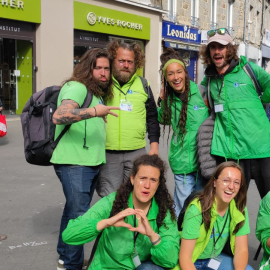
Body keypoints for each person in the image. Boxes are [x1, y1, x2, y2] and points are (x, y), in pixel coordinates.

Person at [199, 27, 270, 199]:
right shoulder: (209, 81)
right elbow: (195, 103)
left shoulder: (249, 70)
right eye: (212, 47)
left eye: (221, 47)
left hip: (263, 151)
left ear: (230, 49)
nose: (217, 51)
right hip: (231, 155)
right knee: (231, 209)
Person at [51, 48, 119, 270]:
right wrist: (94, 113)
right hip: (75, 163)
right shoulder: (77, 87)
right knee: (79, 216)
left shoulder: (95, 92)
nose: (102, 73)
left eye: (106, 69)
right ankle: (73, 264)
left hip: (88, 163)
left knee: (72, 210)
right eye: (97, 67)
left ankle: (65, 257)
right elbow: (59, 116)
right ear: (87, 68)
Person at [62, 155, 180, 270]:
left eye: (153, 180)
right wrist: (106, 222)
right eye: (142, 178)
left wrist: (153, 236)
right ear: (132, 179)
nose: (147, 185)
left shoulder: (163, 211)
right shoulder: (112, 202)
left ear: (158, 185)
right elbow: (69, 235)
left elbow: (171, 260)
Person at [97, 39, 160, 198]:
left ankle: (131, 223)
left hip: (136, 153)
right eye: (121, 61)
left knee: (134, 197)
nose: (126, 65)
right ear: (113, 60)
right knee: (110, 198)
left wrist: (154, 147)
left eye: (130, 62)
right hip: (108, 152)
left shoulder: (143, 84)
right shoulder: (104, 83)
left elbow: (152, 117)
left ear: (136, 63)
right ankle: (113, 224)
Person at [157, 47, 209, 216]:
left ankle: (199, 241)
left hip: (204, 162)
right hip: (182, 162)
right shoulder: (169, 99)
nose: (176, 77)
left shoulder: (201, 93)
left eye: (179, 72)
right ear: (166, 77)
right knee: (183, 207)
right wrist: (161, 100)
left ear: (185, 73)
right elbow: (163, 119)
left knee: (202, 206)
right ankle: (180, 240)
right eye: (170, 74)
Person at [177, 162, 253, 270]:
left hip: (214, 259)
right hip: (192, 261)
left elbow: (241, 250)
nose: (231, 187)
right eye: (226, 180)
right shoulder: (197, 209)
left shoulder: (240, 209)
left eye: (236, 182)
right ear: (215, 182)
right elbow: (185, 258)